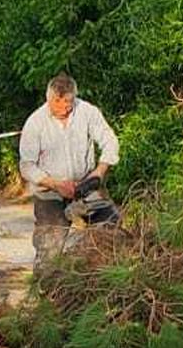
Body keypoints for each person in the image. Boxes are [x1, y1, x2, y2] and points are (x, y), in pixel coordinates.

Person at [18, 73, 119, 269]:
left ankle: (101, 278)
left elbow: (110, 141)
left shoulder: (88, 112)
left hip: (86, 186)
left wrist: (99, 172)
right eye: (58, 101)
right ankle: (44, 290)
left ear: (74, 97)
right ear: (48, 99)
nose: (64, 107)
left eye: (68, 101)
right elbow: (27, 166)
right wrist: (55, 184)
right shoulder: (35, 123)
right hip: (50, 192)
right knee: (49, 250)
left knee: (110, 227)